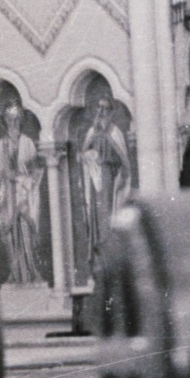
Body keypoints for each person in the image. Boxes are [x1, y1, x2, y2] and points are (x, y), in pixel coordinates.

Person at [0, 104, 44, 284]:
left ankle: (30, 271)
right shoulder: (1, 144)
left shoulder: (27, 142)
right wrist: (4, 176)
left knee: (26, 232)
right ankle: (15, 272)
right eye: (10, 120)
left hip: (24, 195)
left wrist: (22, 179)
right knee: (11, 236)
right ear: (6, 122)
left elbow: (37, 169)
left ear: (21, 121)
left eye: (16, 119)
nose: (14, 123)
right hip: (9, 196)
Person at [80, 98, 133, 265]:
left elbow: (123, 159)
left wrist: (105, 135)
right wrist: (94, 137)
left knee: (107, 211)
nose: (101, 112)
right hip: (95, 177)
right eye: (99, 108)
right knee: (95, 213)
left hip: (110, 175)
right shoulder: (92, 131)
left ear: (110, 112)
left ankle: (109, 250)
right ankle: (98, 252)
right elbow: (82, 154)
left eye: (104, 108)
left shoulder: (115, 131)